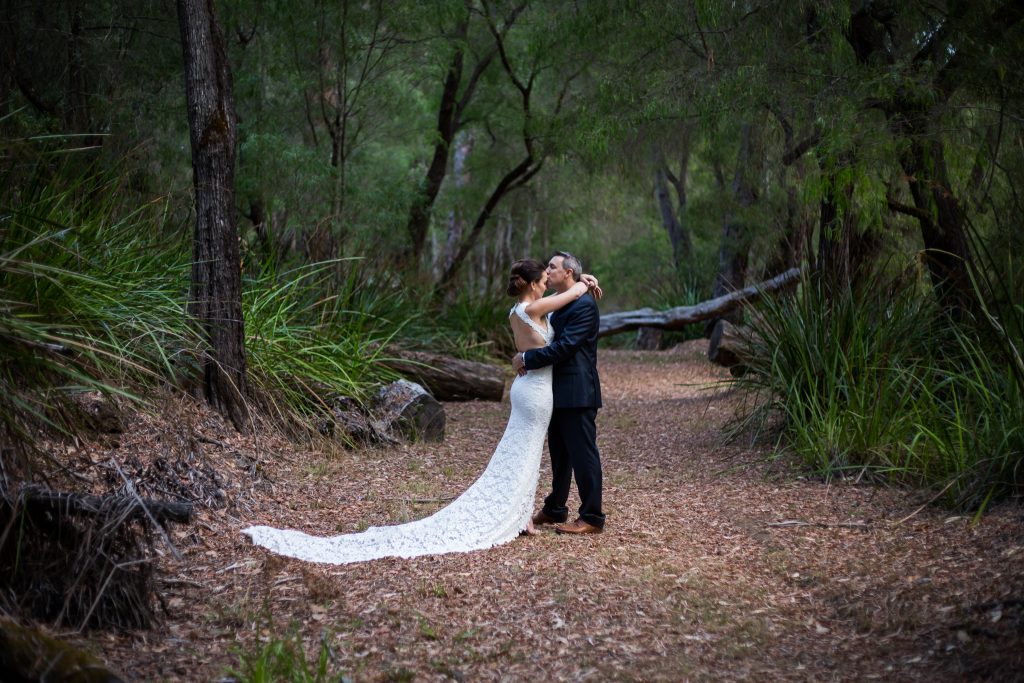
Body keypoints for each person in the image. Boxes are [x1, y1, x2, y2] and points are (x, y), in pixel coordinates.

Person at [241, 258, 600, 564]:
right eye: (544, 276)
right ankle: (523, 515)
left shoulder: (522, 309)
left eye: (554, 270)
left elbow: (560, 304)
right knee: (525, 453)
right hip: (536, 391)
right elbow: (565, 299)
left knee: (523, 452)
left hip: (532, 388)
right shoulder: (538, 306)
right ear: (536, 285)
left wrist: (578, 285)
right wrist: (583, 284)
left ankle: (527, 514)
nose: (548, 279)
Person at [512, 251, 605, 535]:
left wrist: (526, 360)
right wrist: (584, 281)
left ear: (567, 273)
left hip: (578, 392)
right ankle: (555, 508)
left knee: (583, 454)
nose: (547, 270)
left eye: (553, 267)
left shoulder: (585, 307)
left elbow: (564, 347)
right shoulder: (557, 304)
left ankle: (592, 517)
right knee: (560, 455)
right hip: (553, 392)